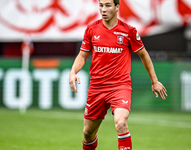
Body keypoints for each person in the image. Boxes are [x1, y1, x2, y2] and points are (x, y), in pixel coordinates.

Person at [69, 0, 167, 149]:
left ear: (117, 7)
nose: (103, 9)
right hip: (97, 87)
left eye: (108, 5)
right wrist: (73, 72)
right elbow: (82, 56)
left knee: (121, 124)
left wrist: (154, 81)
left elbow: (144, 55)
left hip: (120, 87)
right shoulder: (91, 29)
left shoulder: (128, 31)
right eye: (101, 5)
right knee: (88, 133)